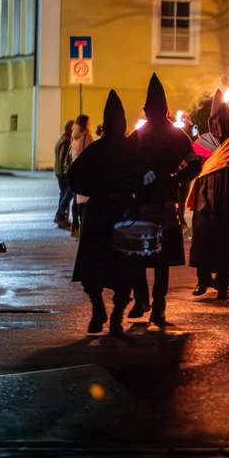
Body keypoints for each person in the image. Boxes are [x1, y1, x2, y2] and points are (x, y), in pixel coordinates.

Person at [128, 74, 201, 327]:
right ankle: (154, 304)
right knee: (157, 260)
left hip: (147, 203)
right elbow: (194, 165)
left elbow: (195, 165)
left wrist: (160, 178)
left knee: (142, 255)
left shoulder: (141, 136)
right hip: (160, 203)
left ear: (148, 109)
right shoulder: (176, 135)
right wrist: (175, 178)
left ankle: (146, 301)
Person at [68, 91, 142, 335]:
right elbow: (142, 180)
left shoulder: (98, 149)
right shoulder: (131, 151)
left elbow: (74, 177)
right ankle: (114, 316)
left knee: (94, 265)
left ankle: (101, 311)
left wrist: (93, 191)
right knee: (123, 268)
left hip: (100, 213)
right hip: (122, 215)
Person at [188, 92, 229, 301]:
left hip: (228, 198)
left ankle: (223, 284)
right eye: (213, 121)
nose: (217, 126)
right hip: (205, 197)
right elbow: (193, 166)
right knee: (203, 238)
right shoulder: (202, 143)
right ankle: (202, 280)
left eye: (221, 121)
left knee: (225, 241)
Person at [67, 115, 93, 235]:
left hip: (75, 173)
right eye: (88, 123)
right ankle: (83, 230)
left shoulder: (74, 138)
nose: (90, 125)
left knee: (76, 199)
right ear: (85, 124)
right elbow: (91, 157)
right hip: (86, 174)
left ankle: (76, 226)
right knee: (86, 204)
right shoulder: (86, 137)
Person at [53, 120, 75, 228]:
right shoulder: (66, 141)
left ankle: (62, 217)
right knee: (68, 193)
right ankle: (60, 215)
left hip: (58, 170)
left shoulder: (61, 138)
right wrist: (65, 172)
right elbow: (63, 158)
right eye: (74, 128)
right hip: (62, 172)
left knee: (63, 194)